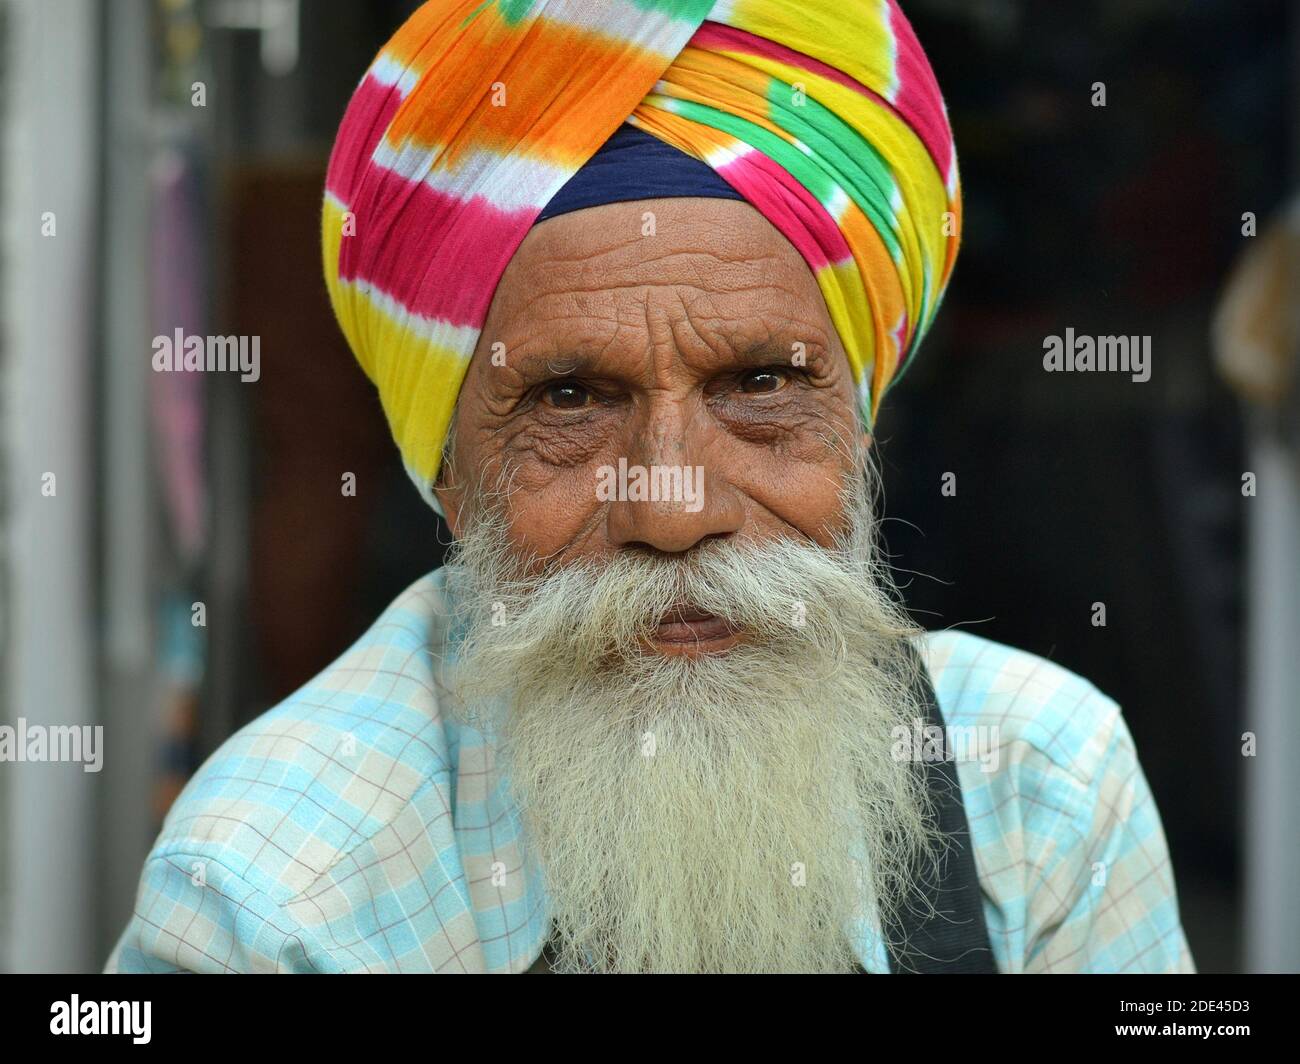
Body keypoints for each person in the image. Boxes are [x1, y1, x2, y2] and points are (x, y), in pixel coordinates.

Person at [107, 0, 1193, 974]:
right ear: (447, 475)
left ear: (857, 429)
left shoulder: (1039, 787)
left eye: (760, 383)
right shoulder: (265, 894)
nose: (674, 512)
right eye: (570, 398)